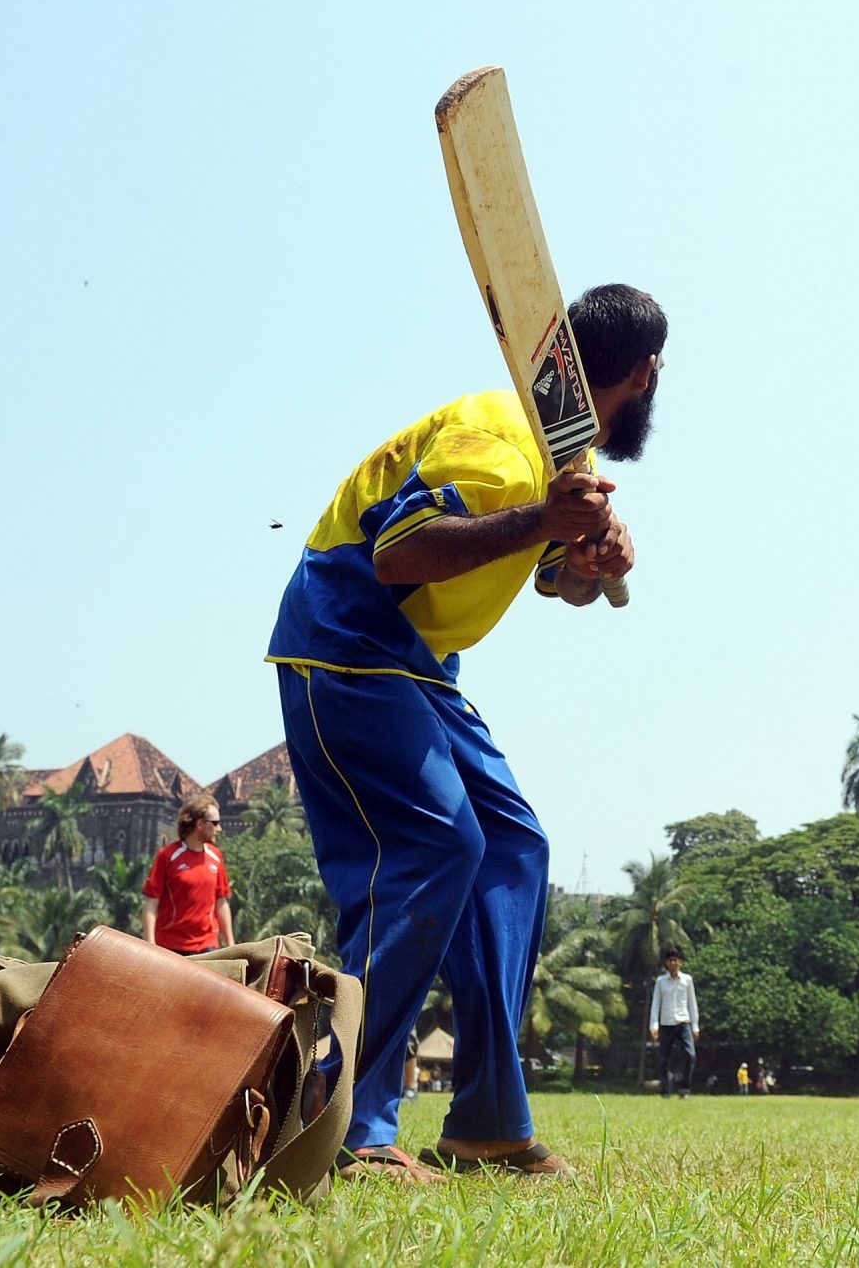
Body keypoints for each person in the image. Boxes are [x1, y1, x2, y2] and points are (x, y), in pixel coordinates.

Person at [266, 285, 665, 1184]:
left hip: (419, 665)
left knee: (513, 847)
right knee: (438, 845)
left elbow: (549, 578)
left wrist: (590, 562)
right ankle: (350, 1129)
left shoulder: (572, 454)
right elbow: (400, 552)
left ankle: (486, 1120)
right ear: (647, 373)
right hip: (348, 640)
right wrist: (545, 523)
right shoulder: (498, 435)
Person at [143, 794, 234, 954]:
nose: (219, 829)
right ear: (200, 824)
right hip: (171, 947)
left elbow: (221, 902)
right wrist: (150, 945)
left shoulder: (216, 856)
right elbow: (151, 903)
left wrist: (231, 947)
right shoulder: (168, 856)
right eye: (215, 823)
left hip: (208, 947)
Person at [645, 948, 700, 1099]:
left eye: (676, 960)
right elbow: (656, 1004)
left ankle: (684, 1089)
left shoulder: (687, 980)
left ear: (680, 962)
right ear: (666, 963)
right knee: (664, 1060)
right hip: (667, 1023)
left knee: (690, 1055)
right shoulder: (661, 982)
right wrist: (653, 1026)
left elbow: (692, 1004)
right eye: (670, 960)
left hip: (683, 1022)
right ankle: (665, 1091)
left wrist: (695, 1026)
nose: (673, 963)